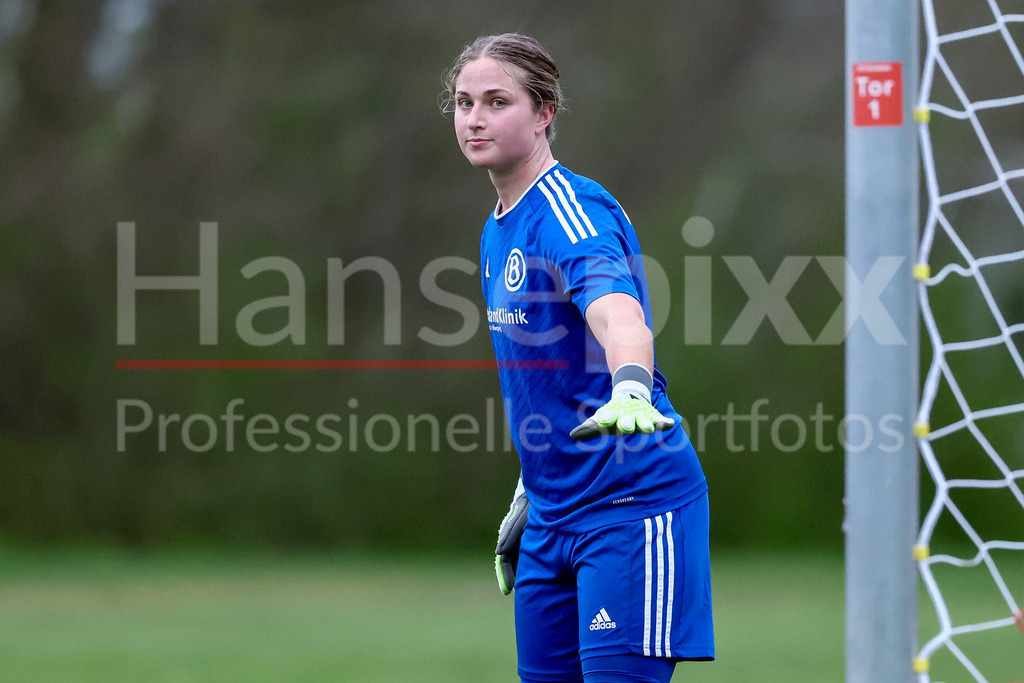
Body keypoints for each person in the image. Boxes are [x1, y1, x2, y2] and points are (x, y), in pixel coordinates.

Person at [443, 33, 714, 683]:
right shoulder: (497, 225)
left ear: (544, 114)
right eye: (463, 102)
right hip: (550, 514)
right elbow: (547, 376)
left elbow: (618, 313)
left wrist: (630, 387)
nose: (475, 118)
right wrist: (529, 481)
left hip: (629, 506)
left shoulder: (573, 211)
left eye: (496, 101)